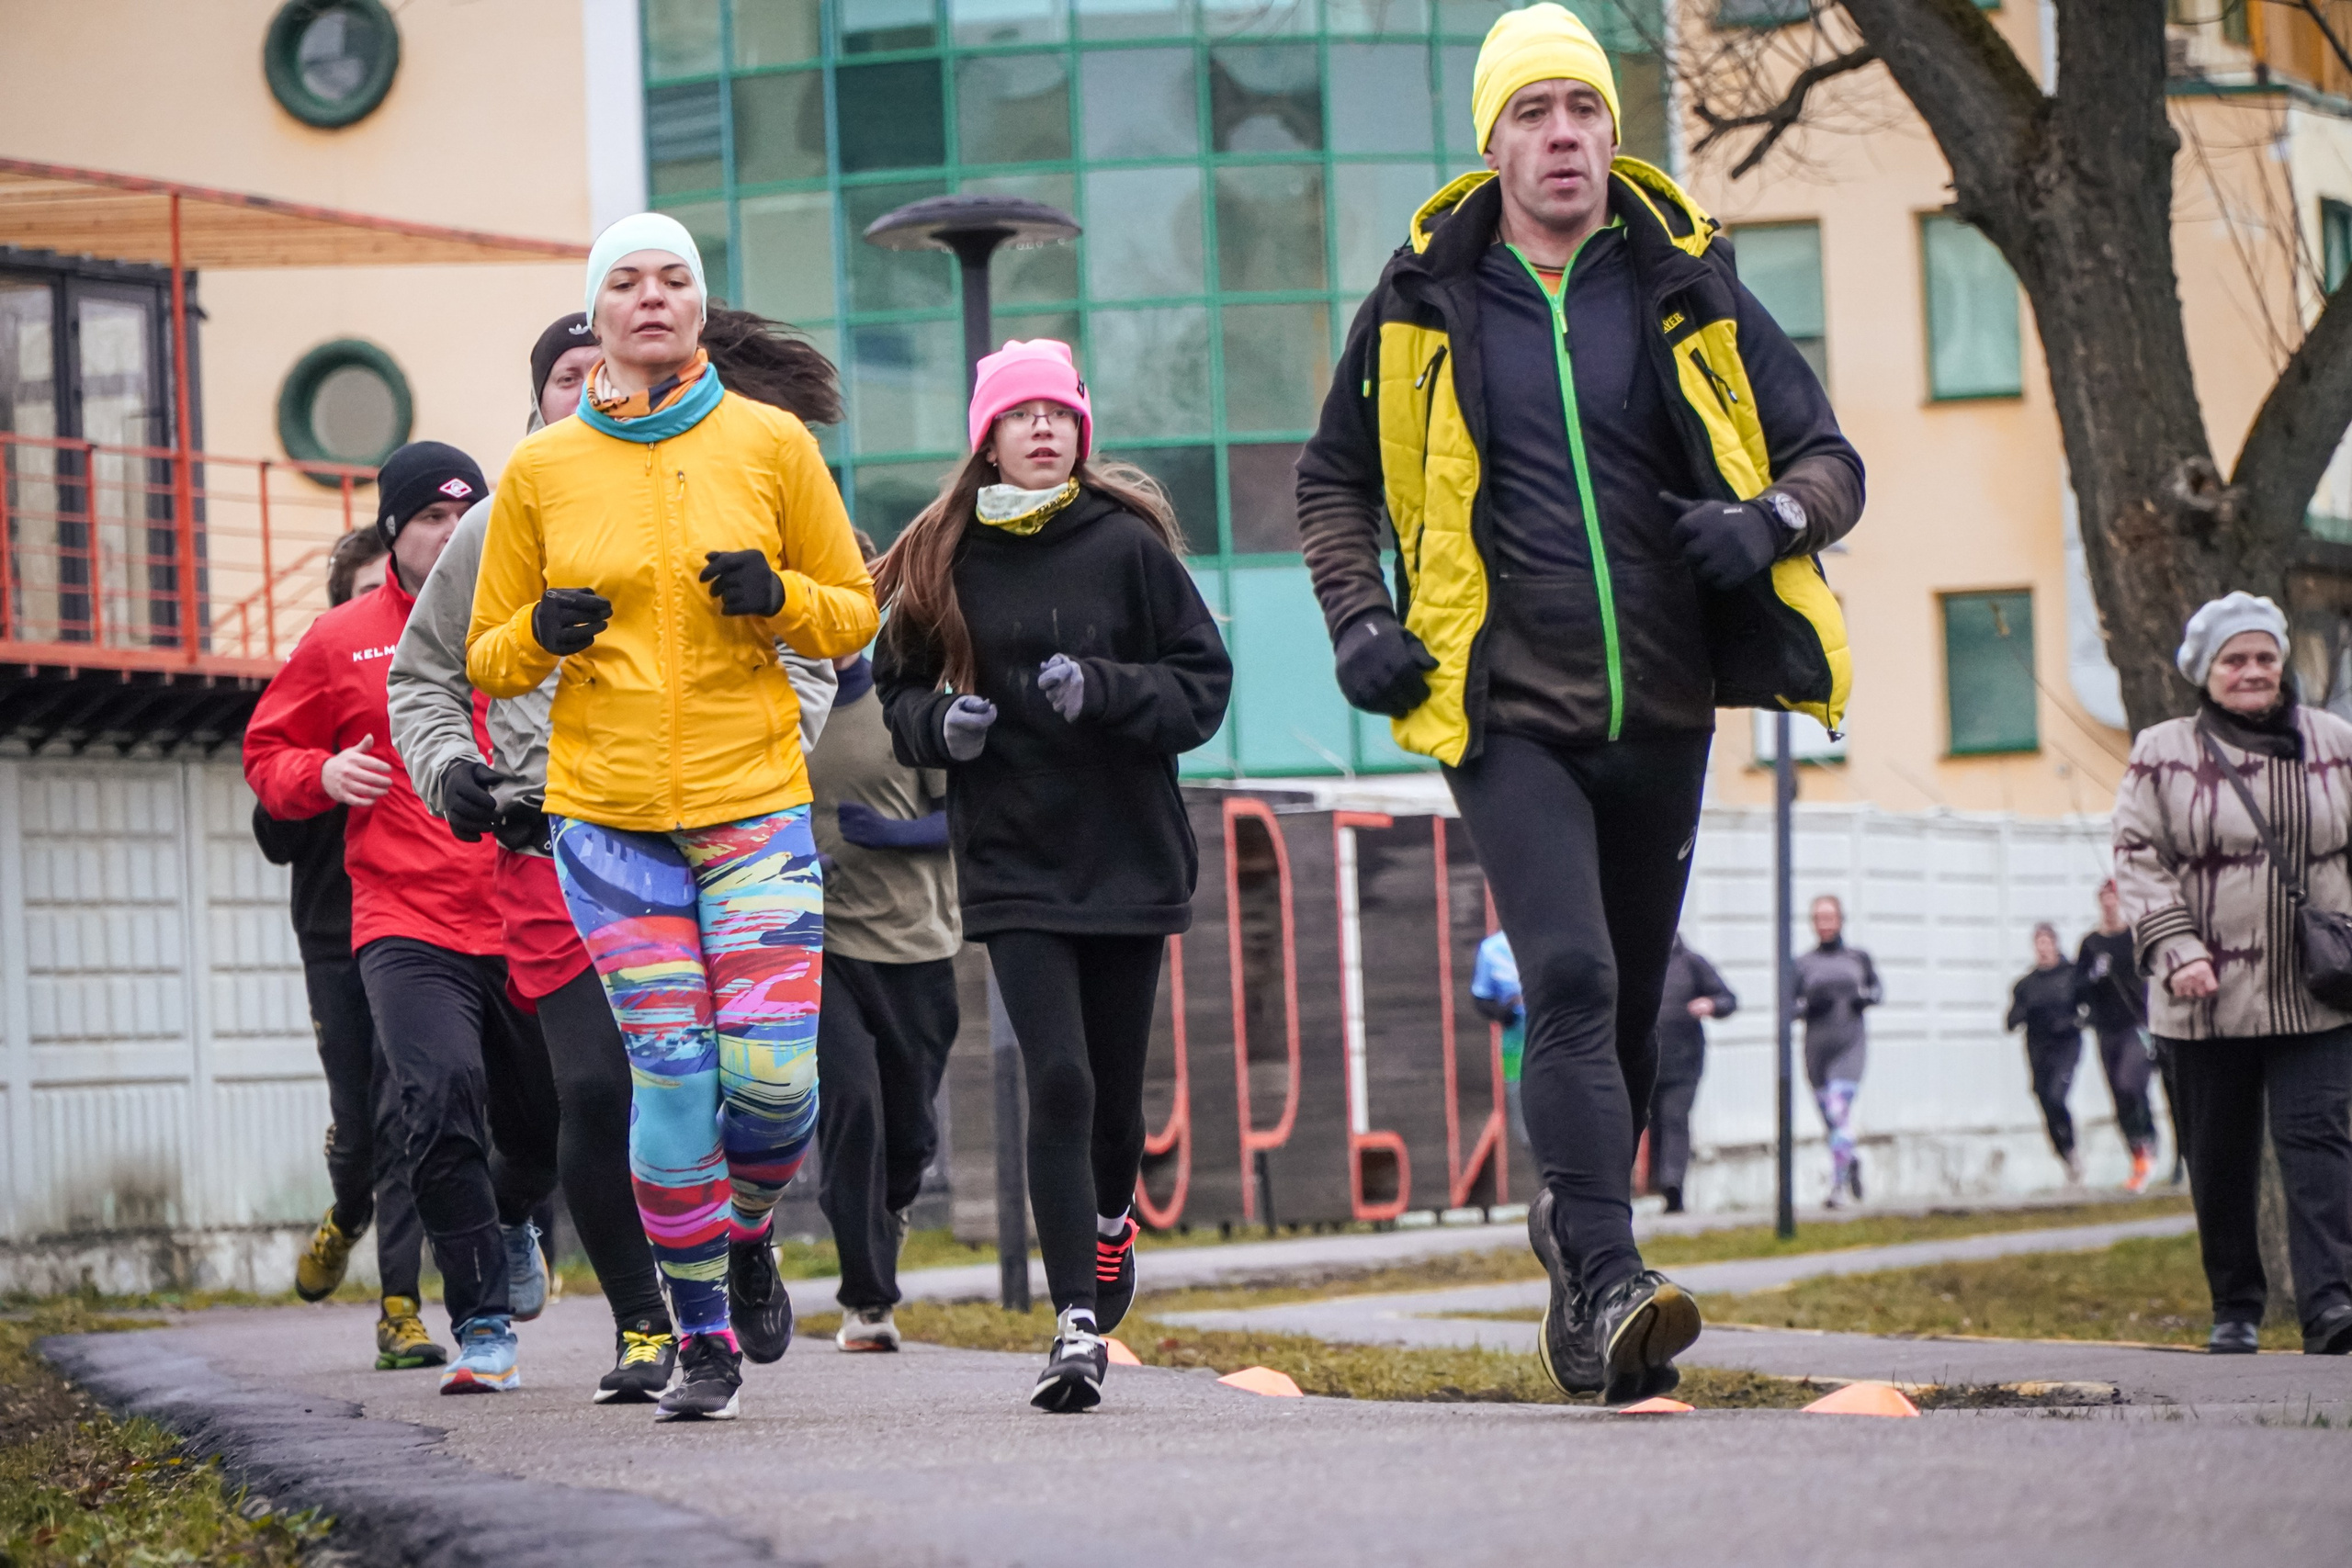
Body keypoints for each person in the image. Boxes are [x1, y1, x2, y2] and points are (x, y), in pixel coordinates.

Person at [1295, 2, 1863, 1404]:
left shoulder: (1686, 284)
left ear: (1615, 130)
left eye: (1586, 112)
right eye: (1534, 115)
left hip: (1666, 706)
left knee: (1630, 1027)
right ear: (1491, 143)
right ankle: (1615, 1281)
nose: (1564, 138)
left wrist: (1771, 521)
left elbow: (1830, 454)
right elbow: (1330, 481)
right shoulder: (1426, 297)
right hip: (1504, 710)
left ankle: (1573, 1232)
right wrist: (1359, 616)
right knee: (1572, 977)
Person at [389, 307, 845, 1404]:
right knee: (603, 1089)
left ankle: (742, 1234)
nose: (592, 388)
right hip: (558, 841)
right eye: (566, 378)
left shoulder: (728, 485)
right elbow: (426, 675)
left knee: (753, 1089)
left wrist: (760, 754)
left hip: (725, 825)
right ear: (541, 403)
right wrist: (455, 774)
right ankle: (656, 1327)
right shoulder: (504, 517)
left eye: (610, 367)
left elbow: (818, 657)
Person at [875, 338, 1231, 1412]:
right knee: (1060, 1078)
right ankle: (1074, 1323)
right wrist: (945, 724)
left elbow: (1201, 687)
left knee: (1116, 1104)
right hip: (1014, 857)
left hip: (1126, 853)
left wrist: (1109, 692)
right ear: (986, 439)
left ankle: (1112, 1224)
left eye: (1059, 416)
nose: (1043, 431)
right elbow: (891, 701)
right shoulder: (943, 556)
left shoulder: (1126, 547)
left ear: (1082, 433)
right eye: (1020, 416)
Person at [245, 441, 562, 1396]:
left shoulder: (531, 617)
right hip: (405, 919)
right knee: (437, 1099)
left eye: (466, 515)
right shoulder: (342, 639)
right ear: (396, 531)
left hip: (522, 912)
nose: (449, 532)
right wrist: (322, 775)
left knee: (543, 1124)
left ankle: (515, 1222)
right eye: (430, 516)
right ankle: (480, 1326)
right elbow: (268, 750)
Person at [2112, 591, 2352, 1356]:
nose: (2252, 671)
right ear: (2205, 671)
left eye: (2265, 658)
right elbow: (2137, 858)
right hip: (2202, 997)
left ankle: (2333, 1307)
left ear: (2282, 666)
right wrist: (2176, 949)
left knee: (2321, 1145)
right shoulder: (2163, 749)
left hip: (2316, 991)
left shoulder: (2337, 743)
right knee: (2219, 1157)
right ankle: (2236, 1305)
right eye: (2235, 659)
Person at [256, 527, 435, 1371]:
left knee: (407, 1114)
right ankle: (345, 1212)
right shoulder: (325, 681)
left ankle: (400, 1306)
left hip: (411, 927)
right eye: (368, 593)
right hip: (334, 932)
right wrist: (326, 773)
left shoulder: (434, 675)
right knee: (362, 1132)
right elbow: (272, 832)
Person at [809, 528, 962, 1353]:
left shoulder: (906, 699)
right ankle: (866, 1298)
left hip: (916, 943)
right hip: (820, 946)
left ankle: (893, 1208)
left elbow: (965, 819)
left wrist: (890, 836)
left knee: (909, 1133)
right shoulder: (774, 706)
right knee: (852, 1106)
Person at [1793, 894, 1878, 1208]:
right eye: (1819, 918)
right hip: (1817, 1050)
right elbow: (1788, 1006)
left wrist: (1864, 1000)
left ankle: (1838, 1189)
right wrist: (1807, 1006)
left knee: (1839, 1110)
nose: (1825, 924)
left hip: (1850, 1046)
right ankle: (1851, 1160)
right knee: (1832, 1122)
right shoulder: (1803, 964)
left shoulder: (1858, 958)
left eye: (1830, 917)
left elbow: (1877, 989)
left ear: (1840, 919)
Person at [2077, 881, 2160, 1191]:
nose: (2110, 904)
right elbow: (2078, 987)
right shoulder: (2091, 944)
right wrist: (2092, 977)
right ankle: (2137, 1151)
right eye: (2105, 898)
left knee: (2131, 1083)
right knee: (2118, 1095)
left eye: (2115, 897)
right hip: (2106, 1027)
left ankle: (2149, 1140)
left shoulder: (2133, 938)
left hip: (2135, 1024)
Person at [1649, 935, 1736, 1214]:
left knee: (1674, 1119)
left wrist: (1710, 1004)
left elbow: (1727, 999)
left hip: (1684, 1062)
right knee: (1651, 1124)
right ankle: (1659, 1182)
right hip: (1646, 1063)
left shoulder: (1691, 963)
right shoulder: (1638, 961)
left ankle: (1673, 1184)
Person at [2007, 922, 2086, 1185]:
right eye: (2037, 944)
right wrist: (2020, 1013)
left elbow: (2088, 1005)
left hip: (2065, 1045)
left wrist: (2076, 1021)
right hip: (2038, 1048)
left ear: (2055, 944)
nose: (2042, 950)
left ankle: (2072, 1149)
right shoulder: (2026, 984)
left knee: (2056, 1094)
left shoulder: (2071, 975)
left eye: (2046, 943)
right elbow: (2010, 1019)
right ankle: (2064, 1153)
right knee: (2044, 1099)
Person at [1470, 929, 1529, 1147]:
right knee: (1519, 1099)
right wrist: (1502, 1012)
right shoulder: (1492, 949)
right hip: (1515, 1037)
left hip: (1557, 1029)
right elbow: (1481, 998)